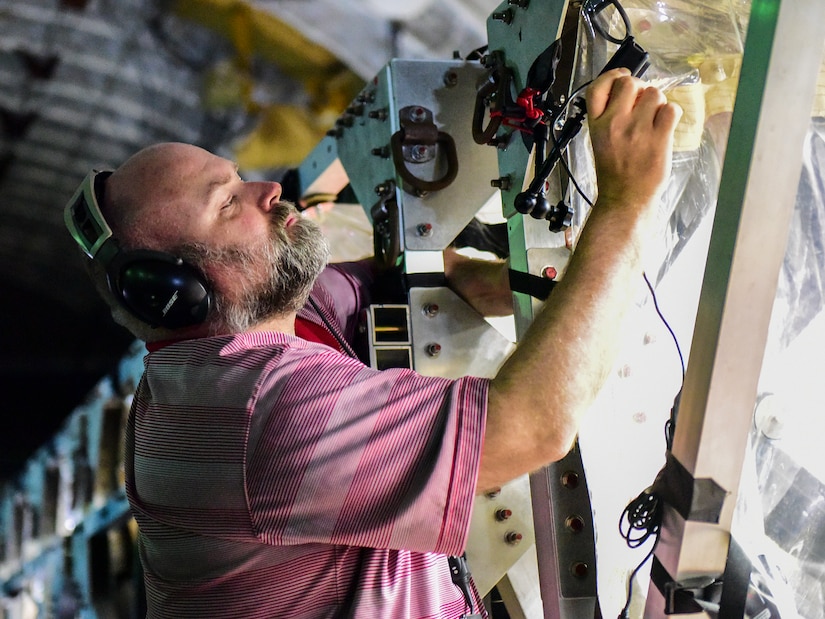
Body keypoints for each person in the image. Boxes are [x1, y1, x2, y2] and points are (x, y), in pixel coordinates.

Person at [65, 68, 680, 618]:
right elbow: (535, 425)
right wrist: (625, 204)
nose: (268, 191)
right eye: (228, 204)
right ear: (173, 291)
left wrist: (493, 280)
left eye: (238, 177)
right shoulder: (263, 416)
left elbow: (394, 279)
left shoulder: (217, 353)